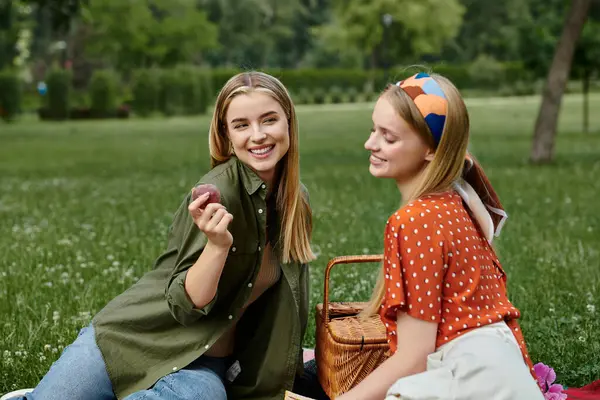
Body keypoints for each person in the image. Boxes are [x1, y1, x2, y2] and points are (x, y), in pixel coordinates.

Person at [4, 71, 322, 400]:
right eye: (242, 125)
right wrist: (217, 246)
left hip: (200, 365)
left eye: (269, 120)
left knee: (204, 397)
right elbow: (185, 307)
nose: (258, 135)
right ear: (226, 135)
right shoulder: (219, 193)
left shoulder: (296, 202)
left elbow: (284, 310)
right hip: (134, 339)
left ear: (288, 122)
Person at [336, 72, 544, 400]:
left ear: (432, 149)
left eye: (388, 137)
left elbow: (415, 358)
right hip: (504, 371)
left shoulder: (415, 220)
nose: (370, 143)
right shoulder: (457, 199)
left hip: (471, 379)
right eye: (373, 129)